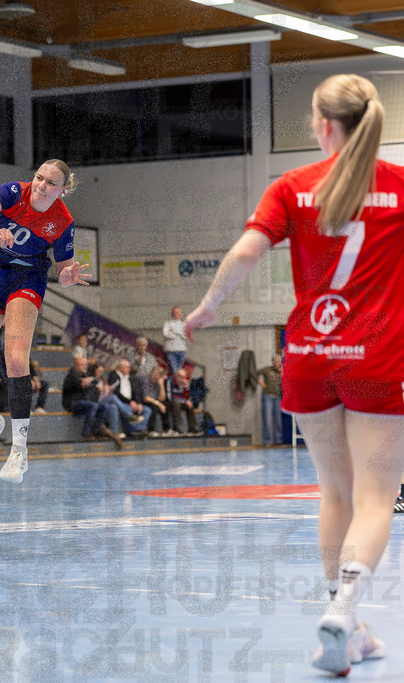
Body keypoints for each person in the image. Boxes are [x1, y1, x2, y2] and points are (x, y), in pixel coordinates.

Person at [183, 74, 397, 674]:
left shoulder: (293, 186)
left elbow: (248, 251)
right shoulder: (400, 187)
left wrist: (207, 308)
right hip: (380, 356)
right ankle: (347, 609)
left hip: (309, 355)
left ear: (325, 126)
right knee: (377, 496)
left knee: (335, 491)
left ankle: (347, 626)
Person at [0, 160, 92, 484]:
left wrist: (68, 276)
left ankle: (19, 450)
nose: (42, 185)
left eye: (50, 183)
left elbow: (64, 271)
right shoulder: (13, 192)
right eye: (39, 177)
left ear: (63, 190)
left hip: (26, 279)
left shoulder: (62, 221)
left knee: (15, 358)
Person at [61, 356, 122, 448]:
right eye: (82, 365)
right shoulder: (72, 374)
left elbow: (92, 384)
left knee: (104, 406)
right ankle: (86, 433)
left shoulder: (85, 375)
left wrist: (91, 382)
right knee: (93, 405)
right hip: (71, 403)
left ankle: (97, 431)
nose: (85, 366)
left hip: (84, 403)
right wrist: (83, 382)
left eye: (86, 364)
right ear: (76, 365)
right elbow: (77, 382)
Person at [104, 359, 151, 435]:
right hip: (120, 402)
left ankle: (139, 429)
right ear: (120, 367)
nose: (129, 369)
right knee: (118, 405)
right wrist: (129, 402)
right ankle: (132, 422)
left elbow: (135, 393)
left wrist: (138, 403)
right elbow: (115, 392)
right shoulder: (113, 375)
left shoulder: (130, 378)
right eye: (127, 367)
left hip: (130, 403)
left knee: (147, 410)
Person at [256, 353, 283, 446]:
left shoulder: (282, 371)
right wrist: (261, 383)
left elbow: (288, 381)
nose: (277, 363)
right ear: (272, 362)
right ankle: (267, 441)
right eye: (275, 361)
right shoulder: (267, 369)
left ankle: (278, 441)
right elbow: (254, 373)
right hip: (267, 396)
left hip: (278, 397)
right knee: (267, 419)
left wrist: (282, 371)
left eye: (279, 361)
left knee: (278, 420)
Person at [166, 368, 199, 435]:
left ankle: (192, 428)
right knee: (176, 404)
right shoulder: (170, 381)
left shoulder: (183, 383)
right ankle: (176, 427)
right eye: (180, 377)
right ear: (176, 376)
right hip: (170, 402)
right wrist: (184, 400)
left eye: (184, 377)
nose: (182, 379)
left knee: (189, 405)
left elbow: (186, 398)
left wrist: (186, 389)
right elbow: (170, 397)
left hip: (180, 402)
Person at [162, 306, 188, 375]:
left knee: (179, 371)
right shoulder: (167, 324)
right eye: (174, 313)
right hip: (171, 351)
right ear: (171, 314)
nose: (175, 314)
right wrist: (180, 333)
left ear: (180, 314)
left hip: (182, 350)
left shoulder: (184, 324)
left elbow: (186, 336)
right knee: (174, 371)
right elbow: (166, 334)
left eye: (177, 312)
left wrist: (173, 331)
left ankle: (179, 385)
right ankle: (177, 385)